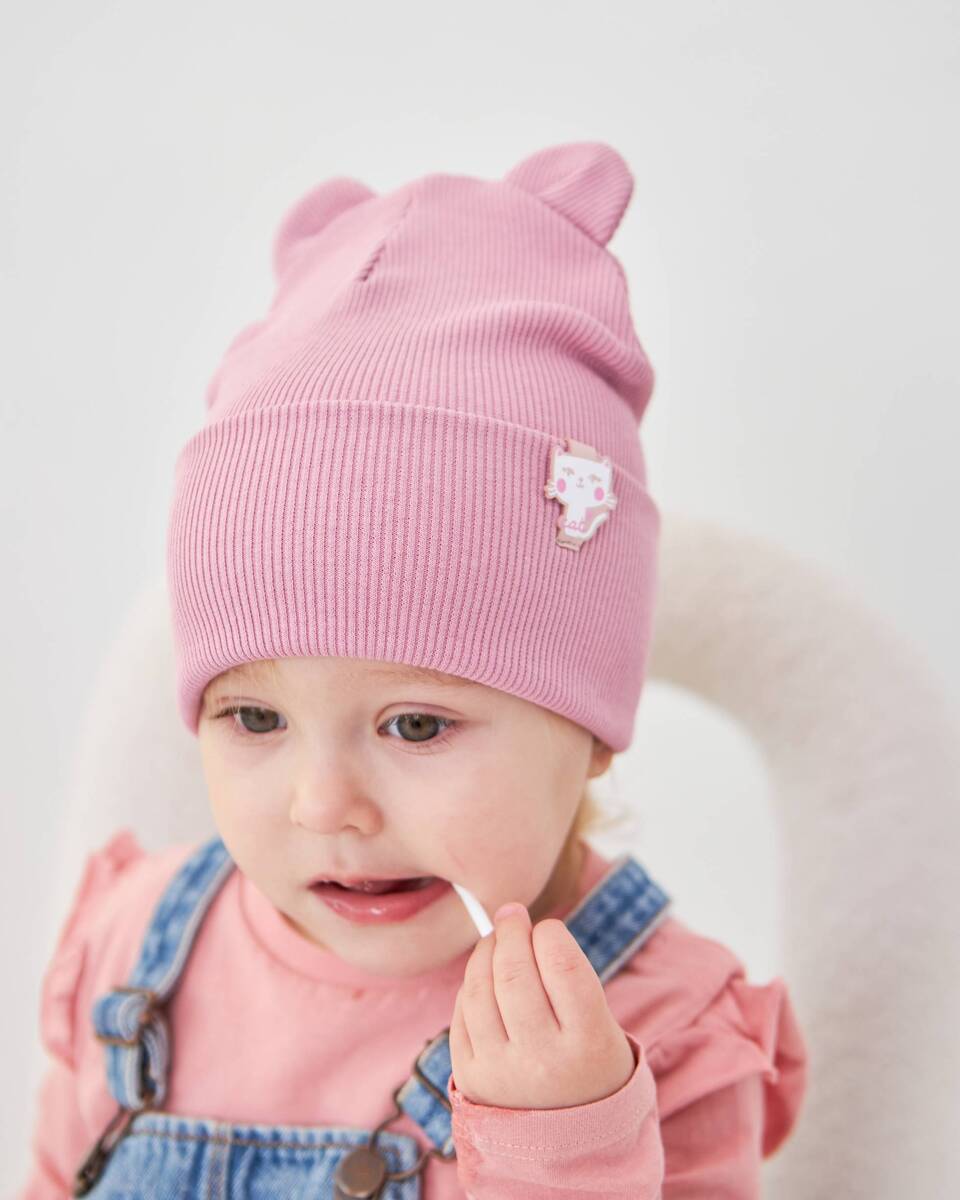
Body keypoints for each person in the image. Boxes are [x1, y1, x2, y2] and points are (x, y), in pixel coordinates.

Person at [18, 140, 808, 1199]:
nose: (324, 805)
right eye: (255, 717)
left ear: (588, 728)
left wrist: (567, 1151)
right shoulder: (137, 955)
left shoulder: (665, 1032)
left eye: (417, 725)